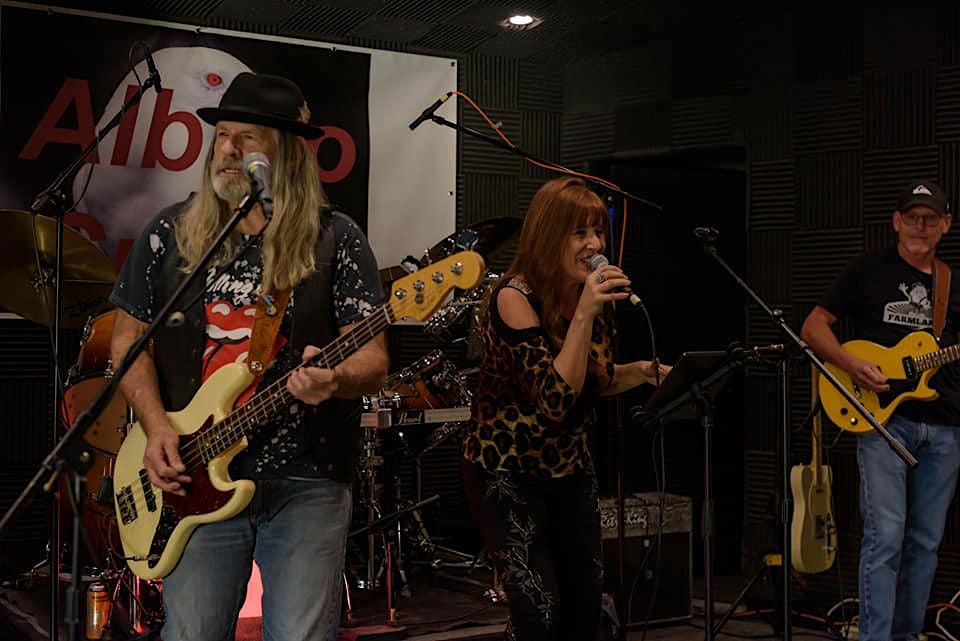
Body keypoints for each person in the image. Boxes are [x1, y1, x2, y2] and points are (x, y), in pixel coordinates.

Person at [109, 72, 389, 641]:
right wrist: (157, 427)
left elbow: (374, 359)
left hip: (308, 478)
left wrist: (335, 379)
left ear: (287, 153)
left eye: (249, 137)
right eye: (223, 135)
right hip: (192, 475)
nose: (229, 149)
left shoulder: (335, 238)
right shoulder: (171, 233)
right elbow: (126, 343)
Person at [461, 176, 669, 641]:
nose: (594, 245)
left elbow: (592, 380)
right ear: (549, 236)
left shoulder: (589, 298)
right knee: (540, 609)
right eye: (579, 233)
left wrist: (643, 372)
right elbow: (555, 398)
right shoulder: (514, 297)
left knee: (585, 605)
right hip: (507, 471)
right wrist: (585, 313)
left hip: (570, 468)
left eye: (597, 232)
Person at [800, 180, 960, 641]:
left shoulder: (951, 283)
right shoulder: (867, 270)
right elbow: (813, 327)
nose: (920, 226)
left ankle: (906, 635)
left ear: (946, 225)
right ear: (896, 221)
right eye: (912, 217)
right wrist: (851, 364)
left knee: (925, 544)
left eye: (930, 218)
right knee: (885, 536)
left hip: (945, 425)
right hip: (883, 421)